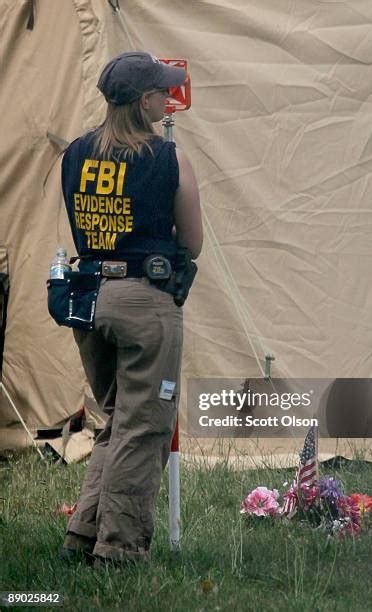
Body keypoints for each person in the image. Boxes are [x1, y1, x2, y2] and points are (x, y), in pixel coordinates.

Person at [59, 51, 202, 564]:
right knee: (144, 428)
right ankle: (119, 550)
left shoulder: (74, 153)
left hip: (89, 298)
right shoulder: (169, 159)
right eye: (163, 92)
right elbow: (193, 241)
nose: (169, 99)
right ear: (145, 103)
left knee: (118, 420)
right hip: (145, 300)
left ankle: (83, 535)